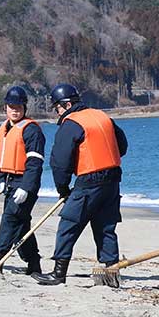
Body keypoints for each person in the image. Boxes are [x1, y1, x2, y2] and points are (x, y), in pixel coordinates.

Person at [33, 84, 128, 287]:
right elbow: (123, 146)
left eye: (57, 108)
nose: (57, 113)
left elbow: (60, 161)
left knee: (68, 224)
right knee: (106, 226)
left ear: (66, 104)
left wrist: (63, 189)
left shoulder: (71, 123)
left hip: (89, 181)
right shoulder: (102, 116)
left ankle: (59, 273)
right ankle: (111, 273)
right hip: (113, 179)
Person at [0, 86, 45, 275]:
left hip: (24, 182)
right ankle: (34, 263)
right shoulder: (4, 128)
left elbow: (35, 162)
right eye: (12, 106)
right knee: (21, 225)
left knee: (11, 218)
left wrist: (26, 187)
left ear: (25, 107)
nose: (15, 110)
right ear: (5, 107)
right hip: (8, 181)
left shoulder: (31, 130)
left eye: (19, 106)